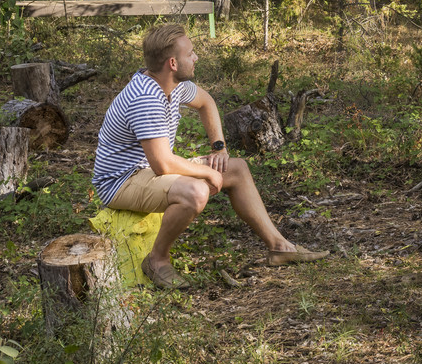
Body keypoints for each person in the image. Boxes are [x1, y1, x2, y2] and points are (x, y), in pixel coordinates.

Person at [93, 24, 322, 289]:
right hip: (121, 181)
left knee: (237, 168)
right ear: (172, 63)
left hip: (147, 171)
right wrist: (207, 171)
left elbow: (207, 101)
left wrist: (219, 147)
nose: (196, 57)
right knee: (195, 192)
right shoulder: (146, 97)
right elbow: (162, 164)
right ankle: (157, 260)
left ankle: (279, 247)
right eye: (190, 53)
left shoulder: (173, 85)